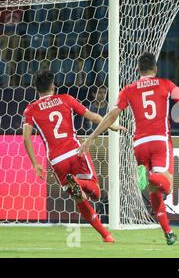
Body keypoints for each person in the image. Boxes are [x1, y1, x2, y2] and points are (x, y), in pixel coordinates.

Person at [78, 52, 179, 245]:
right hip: (159, 141)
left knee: (154, 192)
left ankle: (168, 232)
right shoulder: (165, 84)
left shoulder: (129, 89)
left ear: (137, 70)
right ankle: (147, 175)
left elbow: (111, 115)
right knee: (167, 185)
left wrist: (92, 137)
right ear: (156, 69)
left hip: (139, 145)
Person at [23, 68, 126, 243]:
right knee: (96, 194)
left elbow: (26, 138)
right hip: (76, 152)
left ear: (35, 90)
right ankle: (80, 183)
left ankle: (106, 235)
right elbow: (92, 116)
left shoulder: (30, 110)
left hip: (57, 161)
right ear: (54, 87)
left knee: (79, 198)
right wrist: (112, 126)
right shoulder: (66, 99)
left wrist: (35, 164)